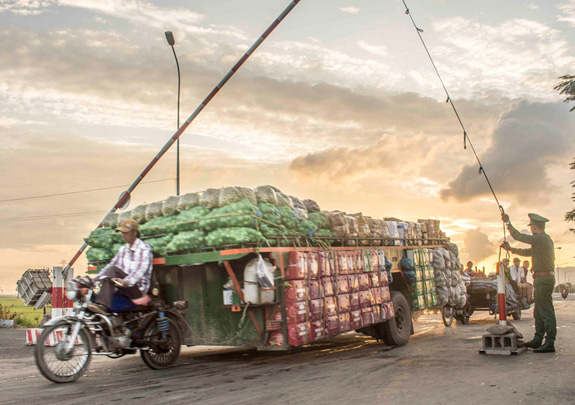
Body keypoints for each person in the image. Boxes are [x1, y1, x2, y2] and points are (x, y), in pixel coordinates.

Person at [501, 212, 556, 353]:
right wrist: (511, 249)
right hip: (542, 279)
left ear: (534, 227)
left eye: (531, 226)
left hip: (543, 279)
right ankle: (538, 340)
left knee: (546, 311)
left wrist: (508, 223)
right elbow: (528, 252)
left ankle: (550, 342)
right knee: (538, 311)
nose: (530, 229)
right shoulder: (543, 240)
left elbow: (518, 236)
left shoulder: (540, 238)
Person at [89, 219, 153, 314]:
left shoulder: (144, 249)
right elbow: (111, 265)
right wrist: (93, 281)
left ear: (134, 232)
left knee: (113, 270)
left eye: (126, 233)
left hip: (137, 288)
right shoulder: (123, 249)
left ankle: (102, 305)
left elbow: (140, 270)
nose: (123, 235)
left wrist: (126, 281)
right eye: (122, 233)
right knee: (109, 272)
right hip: (123, 287)